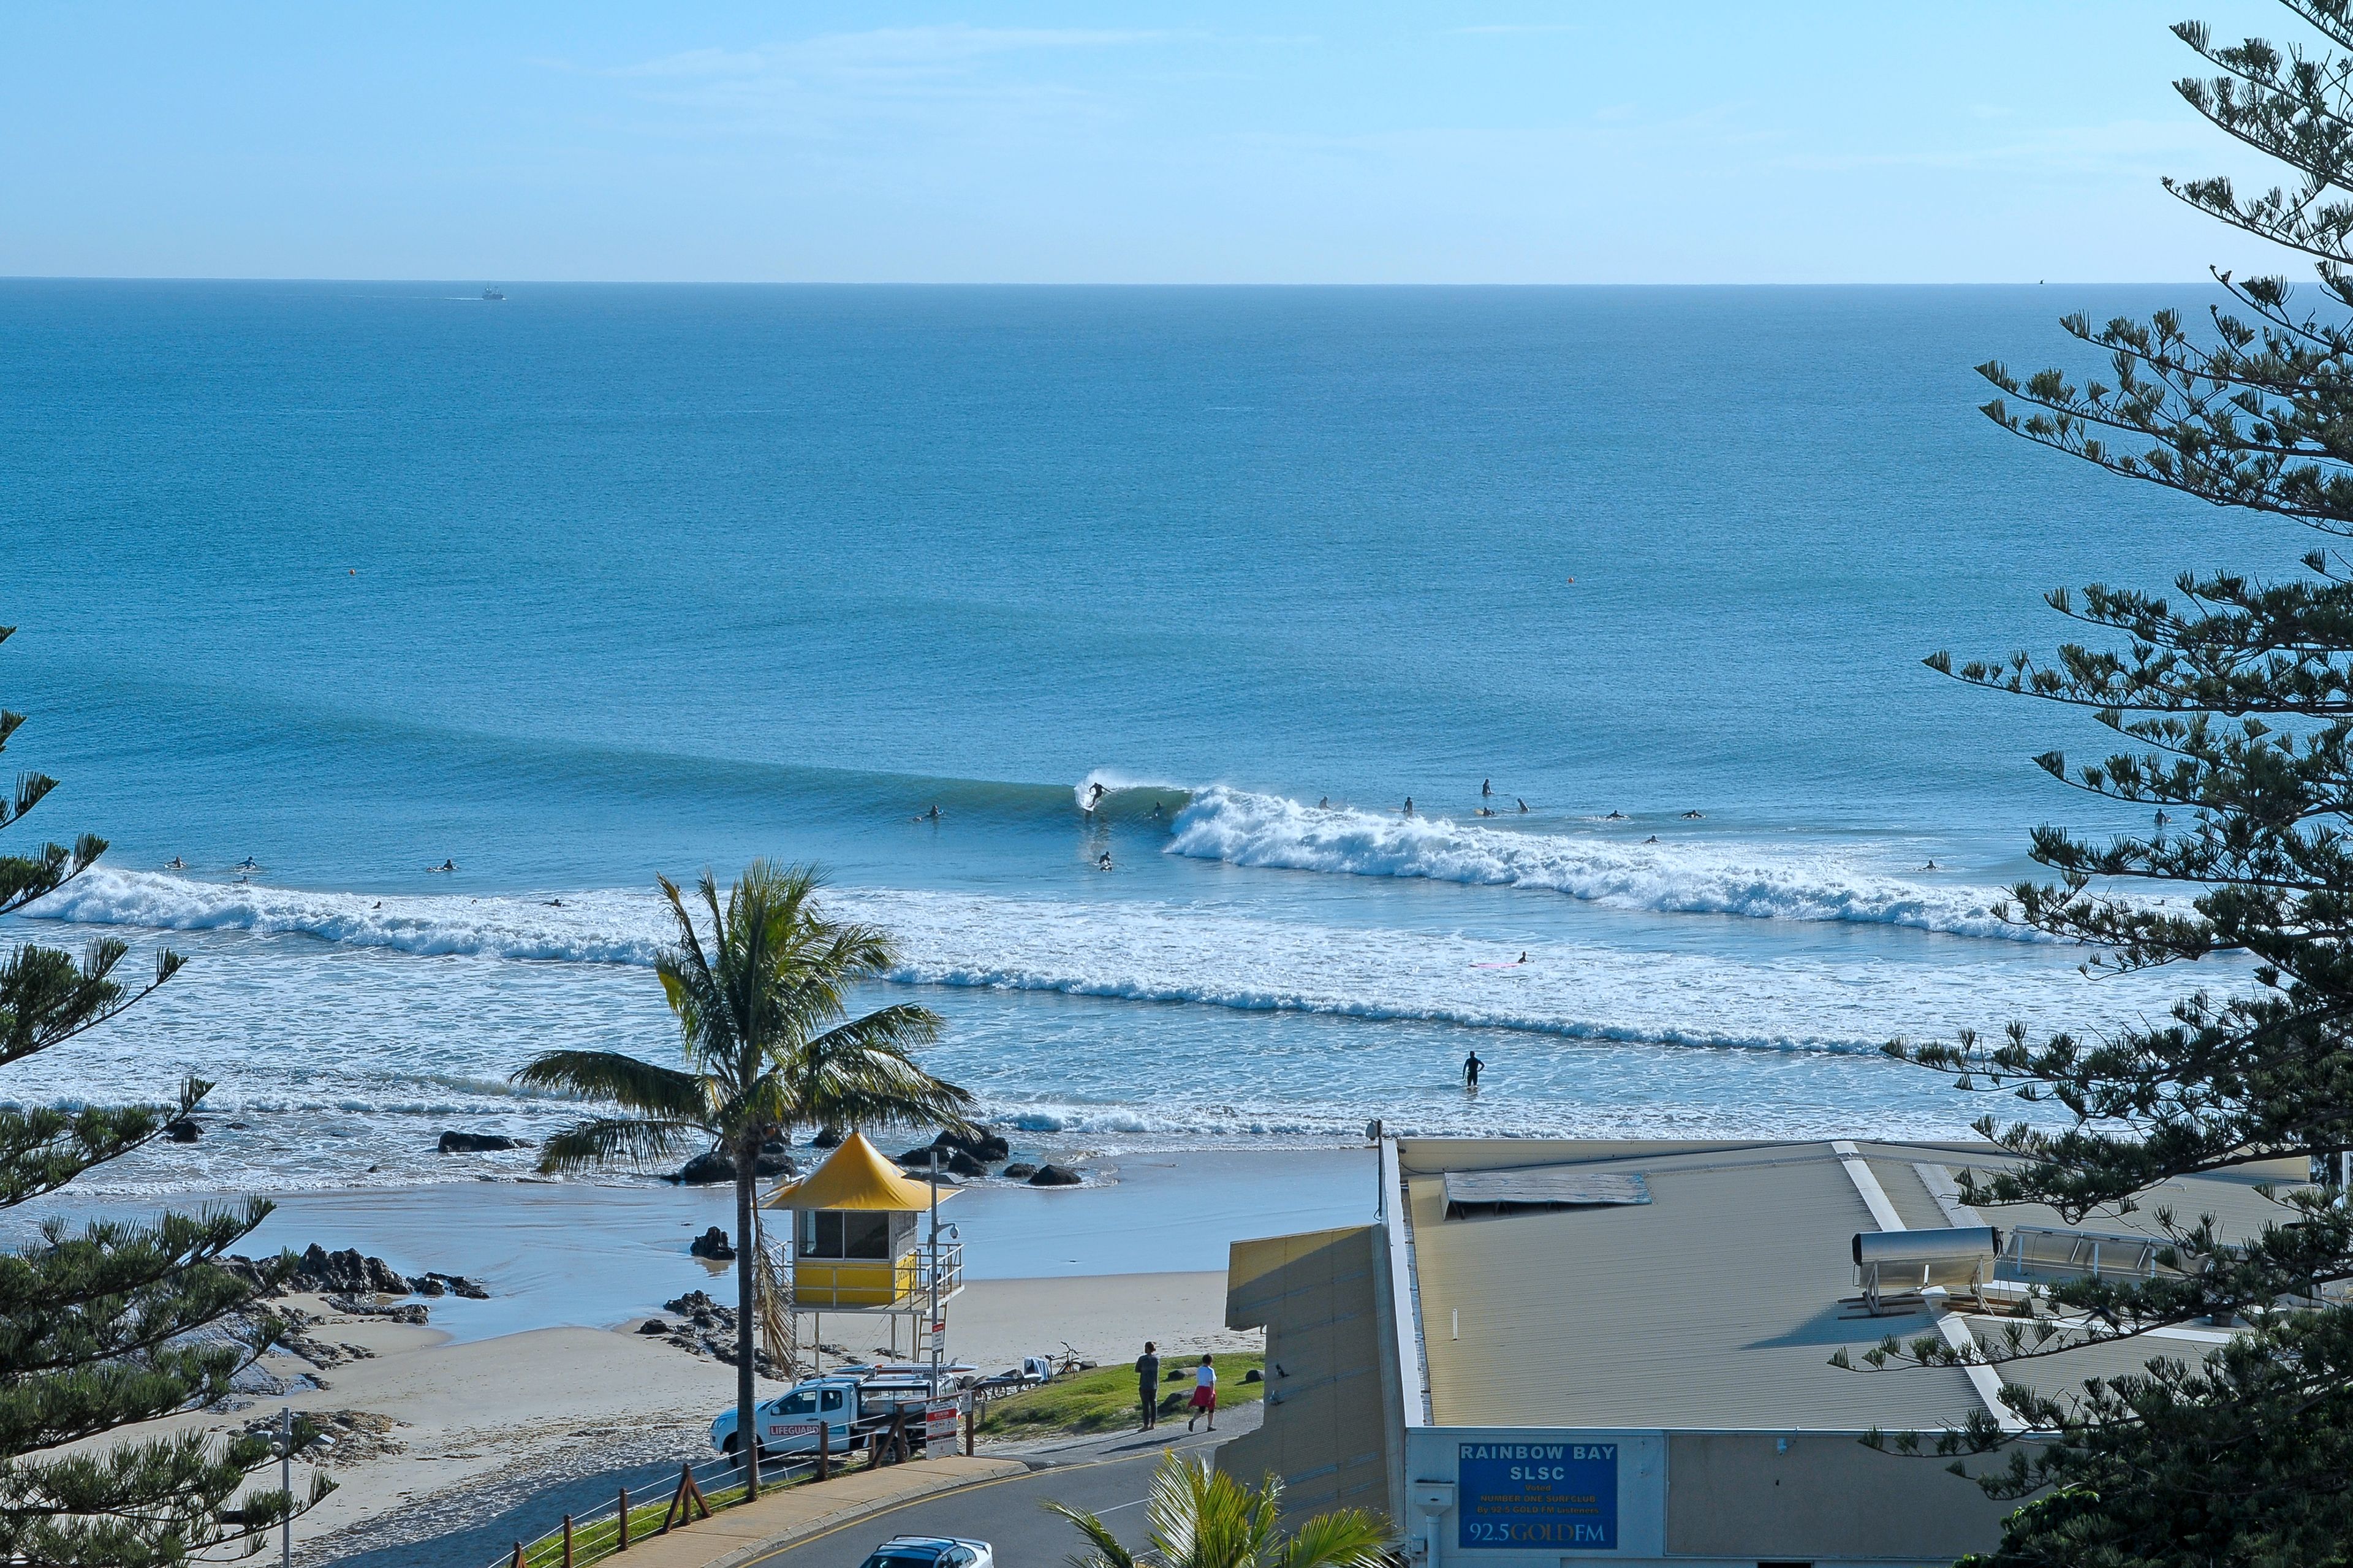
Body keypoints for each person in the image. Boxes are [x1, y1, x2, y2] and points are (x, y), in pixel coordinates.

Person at [1186, 1354, 1218, 1432]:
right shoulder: (1210, 1371)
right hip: (1207, 1390)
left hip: (1200, 1389)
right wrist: (1211, 1393)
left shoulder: (1199, 1369)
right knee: (1211, 1409)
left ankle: (1193, 1420)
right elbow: (1212, 1382)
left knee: (1202, 1409)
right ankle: (1209, 1426)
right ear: (1210, 1362)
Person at [1136, 1341, 1162, 1430]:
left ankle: (1145, 1425)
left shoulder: (1142, 1359)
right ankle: (1153, 1424)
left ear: (1147, 1348)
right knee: (1154, 1404)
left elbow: (1137, 1369)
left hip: (1144, 1384)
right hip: (1154, 1384)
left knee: (1145, 1405)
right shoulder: (1157, 1359)